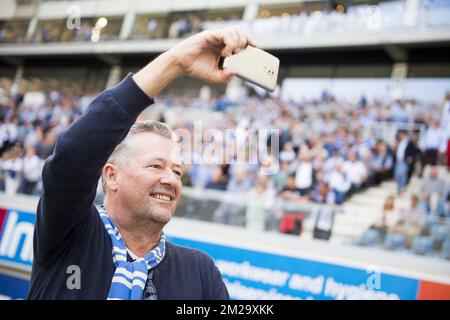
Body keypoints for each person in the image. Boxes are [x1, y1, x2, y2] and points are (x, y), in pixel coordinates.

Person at [28, 26, 256, 300]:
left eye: (176, 171)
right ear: (111, 176)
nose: (171, 180)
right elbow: (72, 159)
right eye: (156, 166)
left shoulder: (200, 271)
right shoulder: (70, 233)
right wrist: (175, 62)